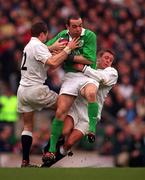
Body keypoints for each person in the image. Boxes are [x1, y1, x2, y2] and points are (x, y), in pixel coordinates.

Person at [17, 21, 79, 167]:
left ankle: (25, 162)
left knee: (27, 126)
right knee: (66, 107)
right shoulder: (38, 45)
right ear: (42, 34)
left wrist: (52, 48)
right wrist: (67, 50)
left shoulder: (29, 46)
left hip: (23, 91)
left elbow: (42, 57)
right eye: (46, 35)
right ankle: (52, 146)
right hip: (36, 90)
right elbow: (52, 63)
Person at [42, 14, 99, 162]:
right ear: (67, 27)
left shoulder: (89, 35)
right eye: (74, 26)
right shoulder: (62, 35)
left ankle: (92, 129)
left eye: (80, 25)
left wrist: (65, 54)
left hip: (87, 76)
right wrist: (54, 48)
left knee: (91, 93)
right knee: (61, 111)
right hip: (71, 77)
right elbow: (44, 49)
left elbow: (89, 59)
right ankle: (51, 150)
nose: (79, 28)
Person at [56, 49, 118, 159]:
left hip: (89, 116)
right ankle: (49, 153)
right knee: (64, 131)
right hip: (76, 107)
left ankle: (52, 160)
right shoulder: (90, 67)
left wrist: (84, 68)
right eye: (106, 58)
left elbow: (102, 78)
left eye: (111, 60)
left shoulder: (112, 72)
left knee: (70, 143)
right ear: (99, 58)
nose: (108, 61)